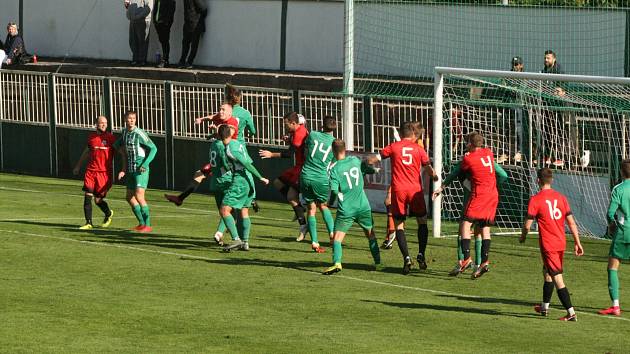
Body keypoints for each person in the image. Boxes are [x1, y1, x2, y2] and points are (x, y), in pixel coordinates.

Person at [368, 122, 438, 274]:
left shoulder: (393, 146)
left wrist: (365, 162)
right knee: (422, 221)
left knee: (399, 225)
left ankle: (406, 258)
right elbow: (428, 168)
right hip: (415, 190)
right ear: (413, 134)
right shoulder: (419, 149)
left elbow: (376, 158)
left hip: (399, 190)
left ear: (400, 134)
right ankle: (421, 254)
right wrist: (434, 176)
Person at [432, 136, 508, 276]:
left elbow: (457, 171)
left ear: (470, 144)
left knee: (464, 226)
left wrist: (441, 187)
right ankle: (482, 263)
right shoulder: (488, 153)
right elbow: (503, 175)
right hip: (492, 195)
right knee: (483, 229)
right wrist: (492, 183)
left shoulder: (468, 159)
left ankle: (464, 259)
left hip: (476, 196)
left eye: (467, 143)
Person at [520, 168, 583, 321]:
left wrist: (523, 236)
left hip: (549, 245)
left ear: (537, 181)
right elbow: (572, 223)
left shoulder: (536, 199)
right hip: (561, 242)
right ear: (552, 180)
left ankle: (571, 312)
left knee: (557, 278)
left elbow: (528, 225)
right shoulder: (561, 198)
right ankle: (544, 307)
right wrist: (577, 242)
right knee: (547, 272)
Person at [323, 139, 382, 274]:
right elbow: (367, 169)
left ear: (333, 151)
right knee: (370, 234)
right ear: (345, 149)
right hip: (363, 206)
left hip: (346, 209)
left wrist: (331, 202)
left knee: (337, 238)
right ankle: (378, 263)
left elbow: (333, 191)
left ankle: (337, 263)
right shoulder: (355, 160)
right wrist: (375, 170)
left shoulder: (335, 169)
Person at [163, 102, 239, 207]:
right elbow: (212, 116)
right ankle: (180, 198)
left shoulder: (232, 121)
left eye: (223, 110)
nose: (220, 111)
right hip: (221, 158)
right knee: (200, 174)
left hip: (230, 158)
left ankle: (248, 199)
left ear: (230, 113)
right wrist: (201, 120)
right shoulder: (219, 117)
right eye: (220, 109)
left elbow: (227, 135)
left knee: (231, 183)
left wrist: (216, 131)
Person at [259, 112, 309, 241]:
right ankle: (300, 207)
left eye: (286, 123)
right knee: (278, 183)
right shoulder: (298, 130)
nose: (284, 126)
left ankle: (303, 226)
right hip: (298, 166)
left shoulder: (298, 134)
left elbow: (288, 154)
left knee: (291, 197)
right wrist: (289, 139)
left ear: (293, 123)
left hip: (303, 168)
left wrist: (271, 154)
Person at [219, 124, 270, 252]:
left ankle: (236, 239)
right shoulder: (237, 143)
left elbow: (246, 163)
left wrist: (260, 177)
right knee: (244, 211)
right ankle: (245, 242)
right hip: (248, 180)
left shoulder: (231, 149)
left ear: (220, 136)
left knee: (225, 210)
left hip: (240, 180)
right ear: (230, 134)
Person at [300, 115, 337, 253]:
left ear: (322, 125)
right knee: (323, 206)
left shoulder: (313, 135)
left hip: (306, 175)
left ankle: (315, 242)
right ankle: (332, 234)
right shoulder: (335, 143)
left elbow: (305, 150)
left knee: (311, 209)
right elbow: (333, 162)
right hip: (321, 177)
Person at [72, 116, 118, 230]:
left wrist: (123, 169)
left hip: (104, 173)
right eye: (101, 123)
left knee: (98, 200)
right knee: (87, 196)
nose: (104, 125)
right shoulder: (91, 137)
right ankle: (89, 223)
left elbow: (121, 153)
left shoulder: (111, 138)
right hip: (91, 172)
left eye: (105, 123)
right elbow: (86, 152)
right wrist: (78, 166)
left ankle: (108, 213)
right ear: (96, 124)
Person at [115, 110, 157, 232]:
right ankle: (141, 223)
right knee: (129, 197)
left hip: (140, 169)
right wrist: (119, 151)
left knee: (139, 195)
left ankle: (148, 225)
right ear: (125, 119)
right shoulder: (124, 133)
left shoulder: (139, 133)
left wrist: (146, 163)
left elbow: (154, 148)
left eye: (134, 118)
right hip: (130, 169)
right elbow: (117, 144)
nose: (132, 120)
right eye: (129, 118)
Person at [599, 159, 630, 317]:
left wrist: (612, 224)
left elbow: (610, 213)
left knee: (612, 267)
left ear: (621, 172)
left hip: (624, 231)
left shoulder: (619, 188)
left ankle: (616, 306)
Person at [179, 0, 207, 69]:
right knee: (194, 45)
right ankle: (189, 62)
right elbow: (203, 9)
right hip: (195, 23)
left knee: (185, 44)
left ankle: (182, 61)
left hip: (187, 23)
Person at [125, 0, 153, 66]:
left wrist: (138, 17)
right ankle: (135, 59)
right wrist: (129, 15)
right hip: (132, 21)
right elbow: (129, 6)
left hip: (143, 21)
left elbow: (148, 9)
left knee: (142, 41)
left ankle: (142, 60)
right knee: (133, 41)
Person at [152, 0, 176, 68]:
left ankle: (165, 60)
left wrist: (167, 22)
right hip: (158, 23)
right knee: (162, 41)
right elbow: (156, 9)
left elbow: (171, 10)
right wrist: (154, 21)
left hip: (164, 23)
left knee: (165, 41)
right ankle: (164, 60)